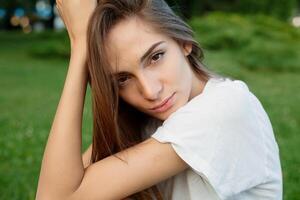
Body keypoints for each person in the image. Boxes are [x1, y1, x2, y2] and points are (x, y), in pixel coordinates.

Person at [36, 0, 283, 199]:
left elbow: (56, 196)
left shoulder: (224, 108)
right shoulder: (145, 120)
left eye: (155, 57)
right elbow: (62, 184)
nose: (150, 91)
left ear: (184, 42)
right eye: (122, 79)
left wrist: (80, 45)